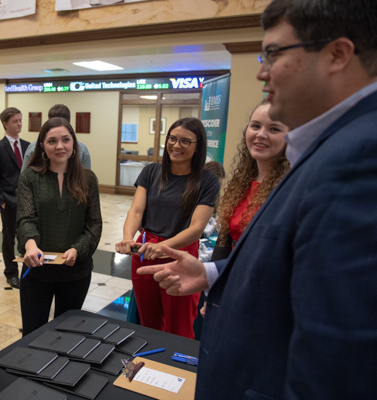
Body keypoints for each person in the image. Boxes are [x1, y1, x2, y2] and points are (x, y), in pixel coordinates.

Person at [138, 0, 377, 398]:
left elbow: (337, 361)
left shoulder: (361, 156)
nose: (260, 71)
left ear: (337, 54)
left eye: (273, 54)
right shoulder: (330, 144)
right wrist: (212, 274)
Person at [116, 118, 220, 339]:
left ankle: (177, 370)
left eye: (185, 141)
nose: (176, 145)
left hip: (181, 257)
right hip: (146, 253)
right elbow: (136, 211)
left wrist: (164, 247)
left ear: (198, 145)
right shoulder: (151, 172)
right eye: (172, 139)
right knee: (148, 322)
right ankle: (153, 369)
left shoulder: (207, 180)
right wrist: (128, 237)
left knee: (179, 326)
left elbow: (196, 228)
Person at [193, 100, 290, 339]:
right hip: (233, 282)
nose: (261, 135)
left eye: (274, 129)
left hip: (267, 293)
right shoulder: (243, 181)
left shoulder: (291, 185)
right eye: (255, 126)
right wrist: (213, 294)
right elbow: (225, 241)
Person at [17, 117, 102, 336]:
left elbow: (94, 223)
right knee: (33, 334)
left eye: (66, 139)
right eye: (52, 141)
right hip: (37, 272)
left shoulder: (88, 179)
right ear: (42, 146)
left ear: (74, 144)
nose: (60, 146)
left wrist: (77, 249)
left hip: (76, 272)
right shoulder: (30, 177)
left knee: (67, 336)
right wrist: (30, 245)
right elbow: (26, 218)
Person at [0, 107, 29, 289]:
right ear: (5, 124)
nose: (20, 123)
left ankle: (28, 271)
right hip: (8, 200)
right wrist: (2, 200)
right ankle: (11, 273)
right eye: (15, 121)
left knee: (28, 235)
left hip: (27, 200)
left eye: (21, 120)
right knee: (8, 239)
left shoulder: (28, 146)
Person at [22, 104, 91, 171]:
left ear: (48, 121)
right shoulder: (82, 149)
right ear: (69, 122)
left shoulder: (32, 148)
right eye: (52, 141)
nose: (59, 147)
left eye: (66, 139)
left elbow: (23, 176)